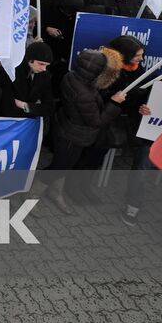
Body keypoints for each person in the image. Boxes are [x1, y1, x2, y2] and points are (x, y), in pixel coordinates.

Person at [47, 50, 124, 211]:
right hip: (74, 134)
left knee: (63, 165)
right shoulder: (85, 94)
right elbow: (96, 121)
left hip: (66, 127)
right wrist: (114, 103)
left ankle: (56, 192)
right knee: (59, 166)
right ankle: (34, 192)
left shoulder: (71, 76)